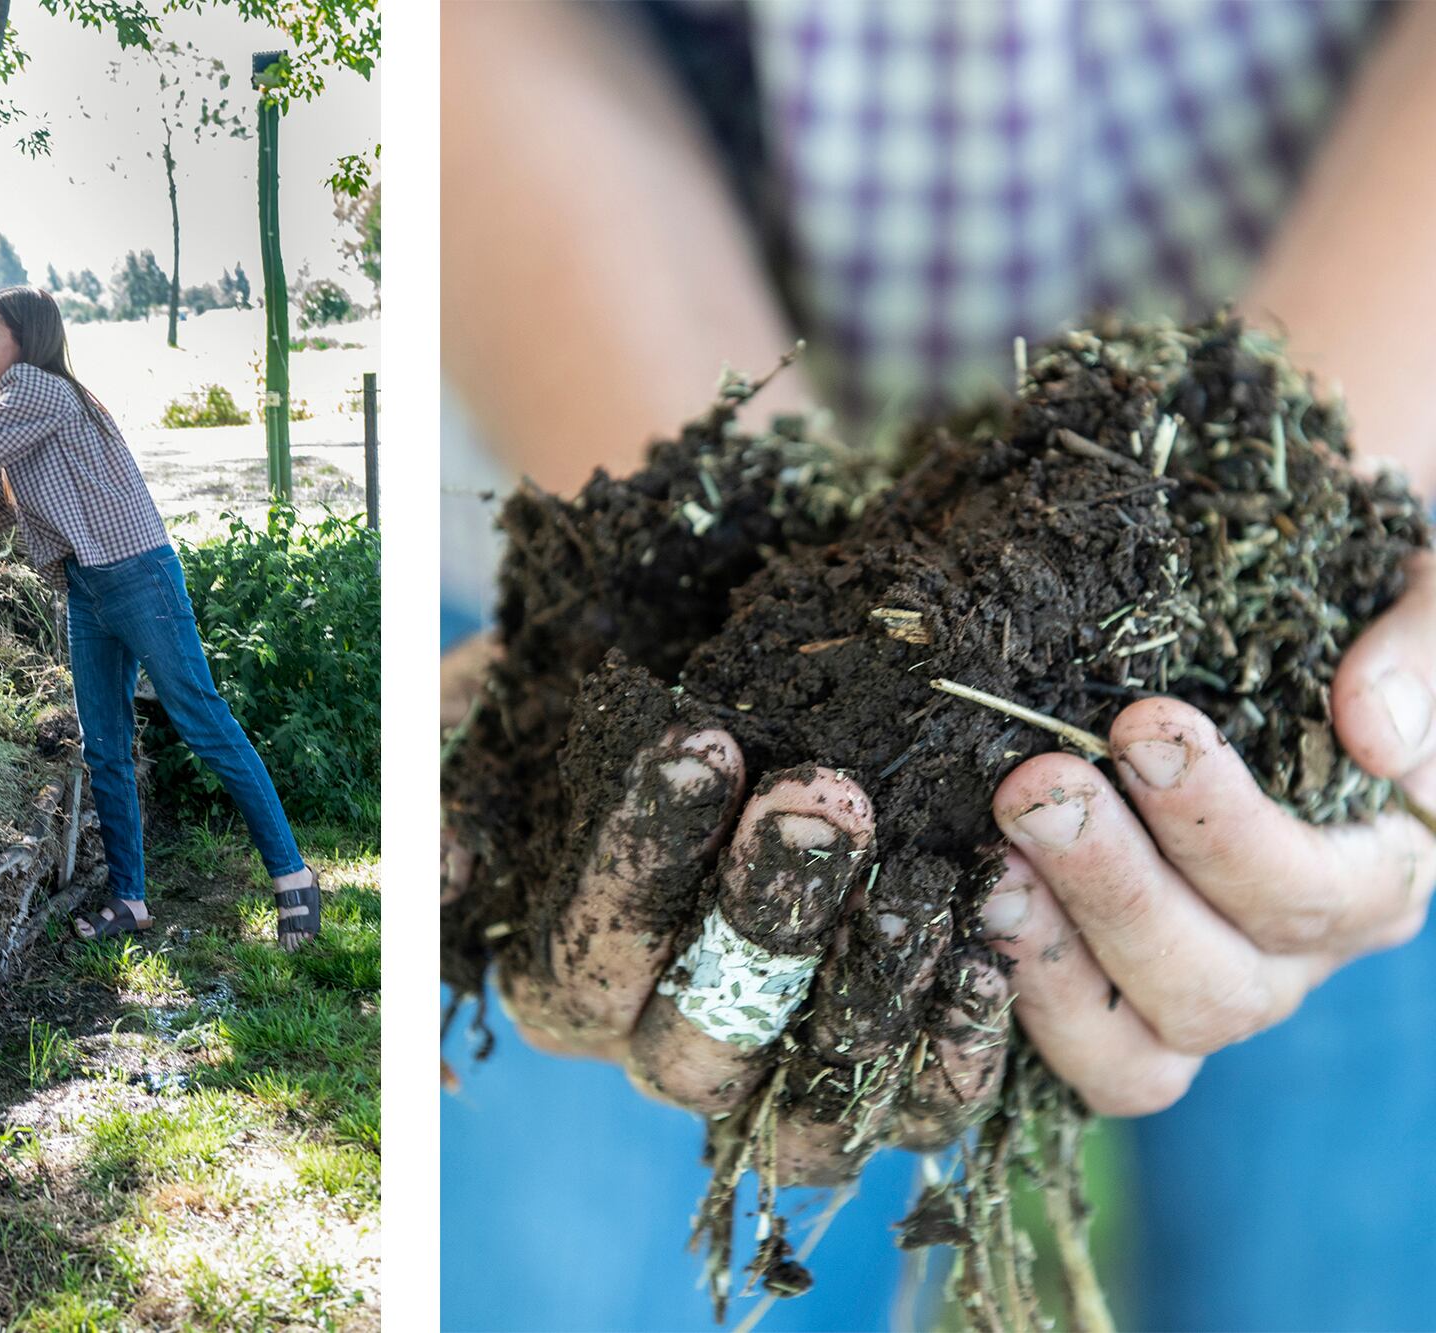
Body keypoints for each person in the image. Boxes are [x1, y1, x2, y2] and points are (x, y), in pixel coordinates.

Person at [441, 3, 1436, 1329]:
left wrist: (1328, 524)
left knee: (1336, 1275)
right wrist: (694, 520)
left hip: (1392, 429)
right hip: (590, 387)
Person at [0, 285, 322, 952]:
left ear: (26, 341)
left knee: (204, 722)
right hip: (86, 585)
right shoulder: (17, 417)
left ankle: (292, 874)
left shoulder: (37, 390)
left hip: (137, 575)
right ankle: (130, 900)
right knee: (105, 745)